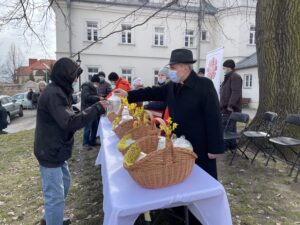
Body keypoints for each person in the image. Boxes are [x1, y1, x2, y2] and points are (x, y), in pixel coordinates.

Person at [114, 48, 224, 224]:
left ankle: (202, 216)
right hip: (178, 141)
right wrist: (129, 95)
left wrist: (215, 148)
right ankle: (180, 211)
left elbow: (214, 118)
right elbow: (152, 92)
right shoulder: (173, 86)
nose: (170, 72)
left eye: (173, 68)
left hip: (201, 145)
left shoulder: (204, 86)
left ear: (185, 67)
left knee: (202, 182)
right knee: (180, 176)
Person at [34, 57, 106, 225]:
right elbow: (69, 122)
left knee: (64, 184)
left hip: (57, 149)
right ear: (64, 76)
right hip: (50, 150)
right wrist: (97, 108)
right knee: (55, 195)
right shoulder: (53, 94)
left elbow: (66, 114)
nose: (75, 79)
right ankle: (53, 218)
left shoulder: (59, 90)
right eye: (73, 76)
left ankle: (52, 216)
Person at [220, 59, 242, 150]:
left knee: (229, 127)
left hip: (230, 109)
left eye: (224, 68)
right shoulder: (228, 77)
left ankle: (229, 146)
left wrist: (230, 105)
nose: (223, 69)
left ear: (229, 68)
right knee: (228, 127)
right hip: (225, 108)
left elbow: (236, 92)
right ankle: (231, 146)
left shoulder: (235, 77)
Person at [81, 74, 102, 150]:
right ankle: (85, 143)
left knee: (95, 126)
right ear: (94, 82)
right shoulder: (86, 87)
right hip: (87, 110)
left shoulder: (93, 88)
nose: (98, 85)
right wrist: (98, 98)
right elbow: (86, 97)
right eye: (98, 83)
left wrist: (99, 97)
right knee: (88, 128)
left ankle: (93, 141)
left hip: (94, 110)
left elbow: (94, 96)